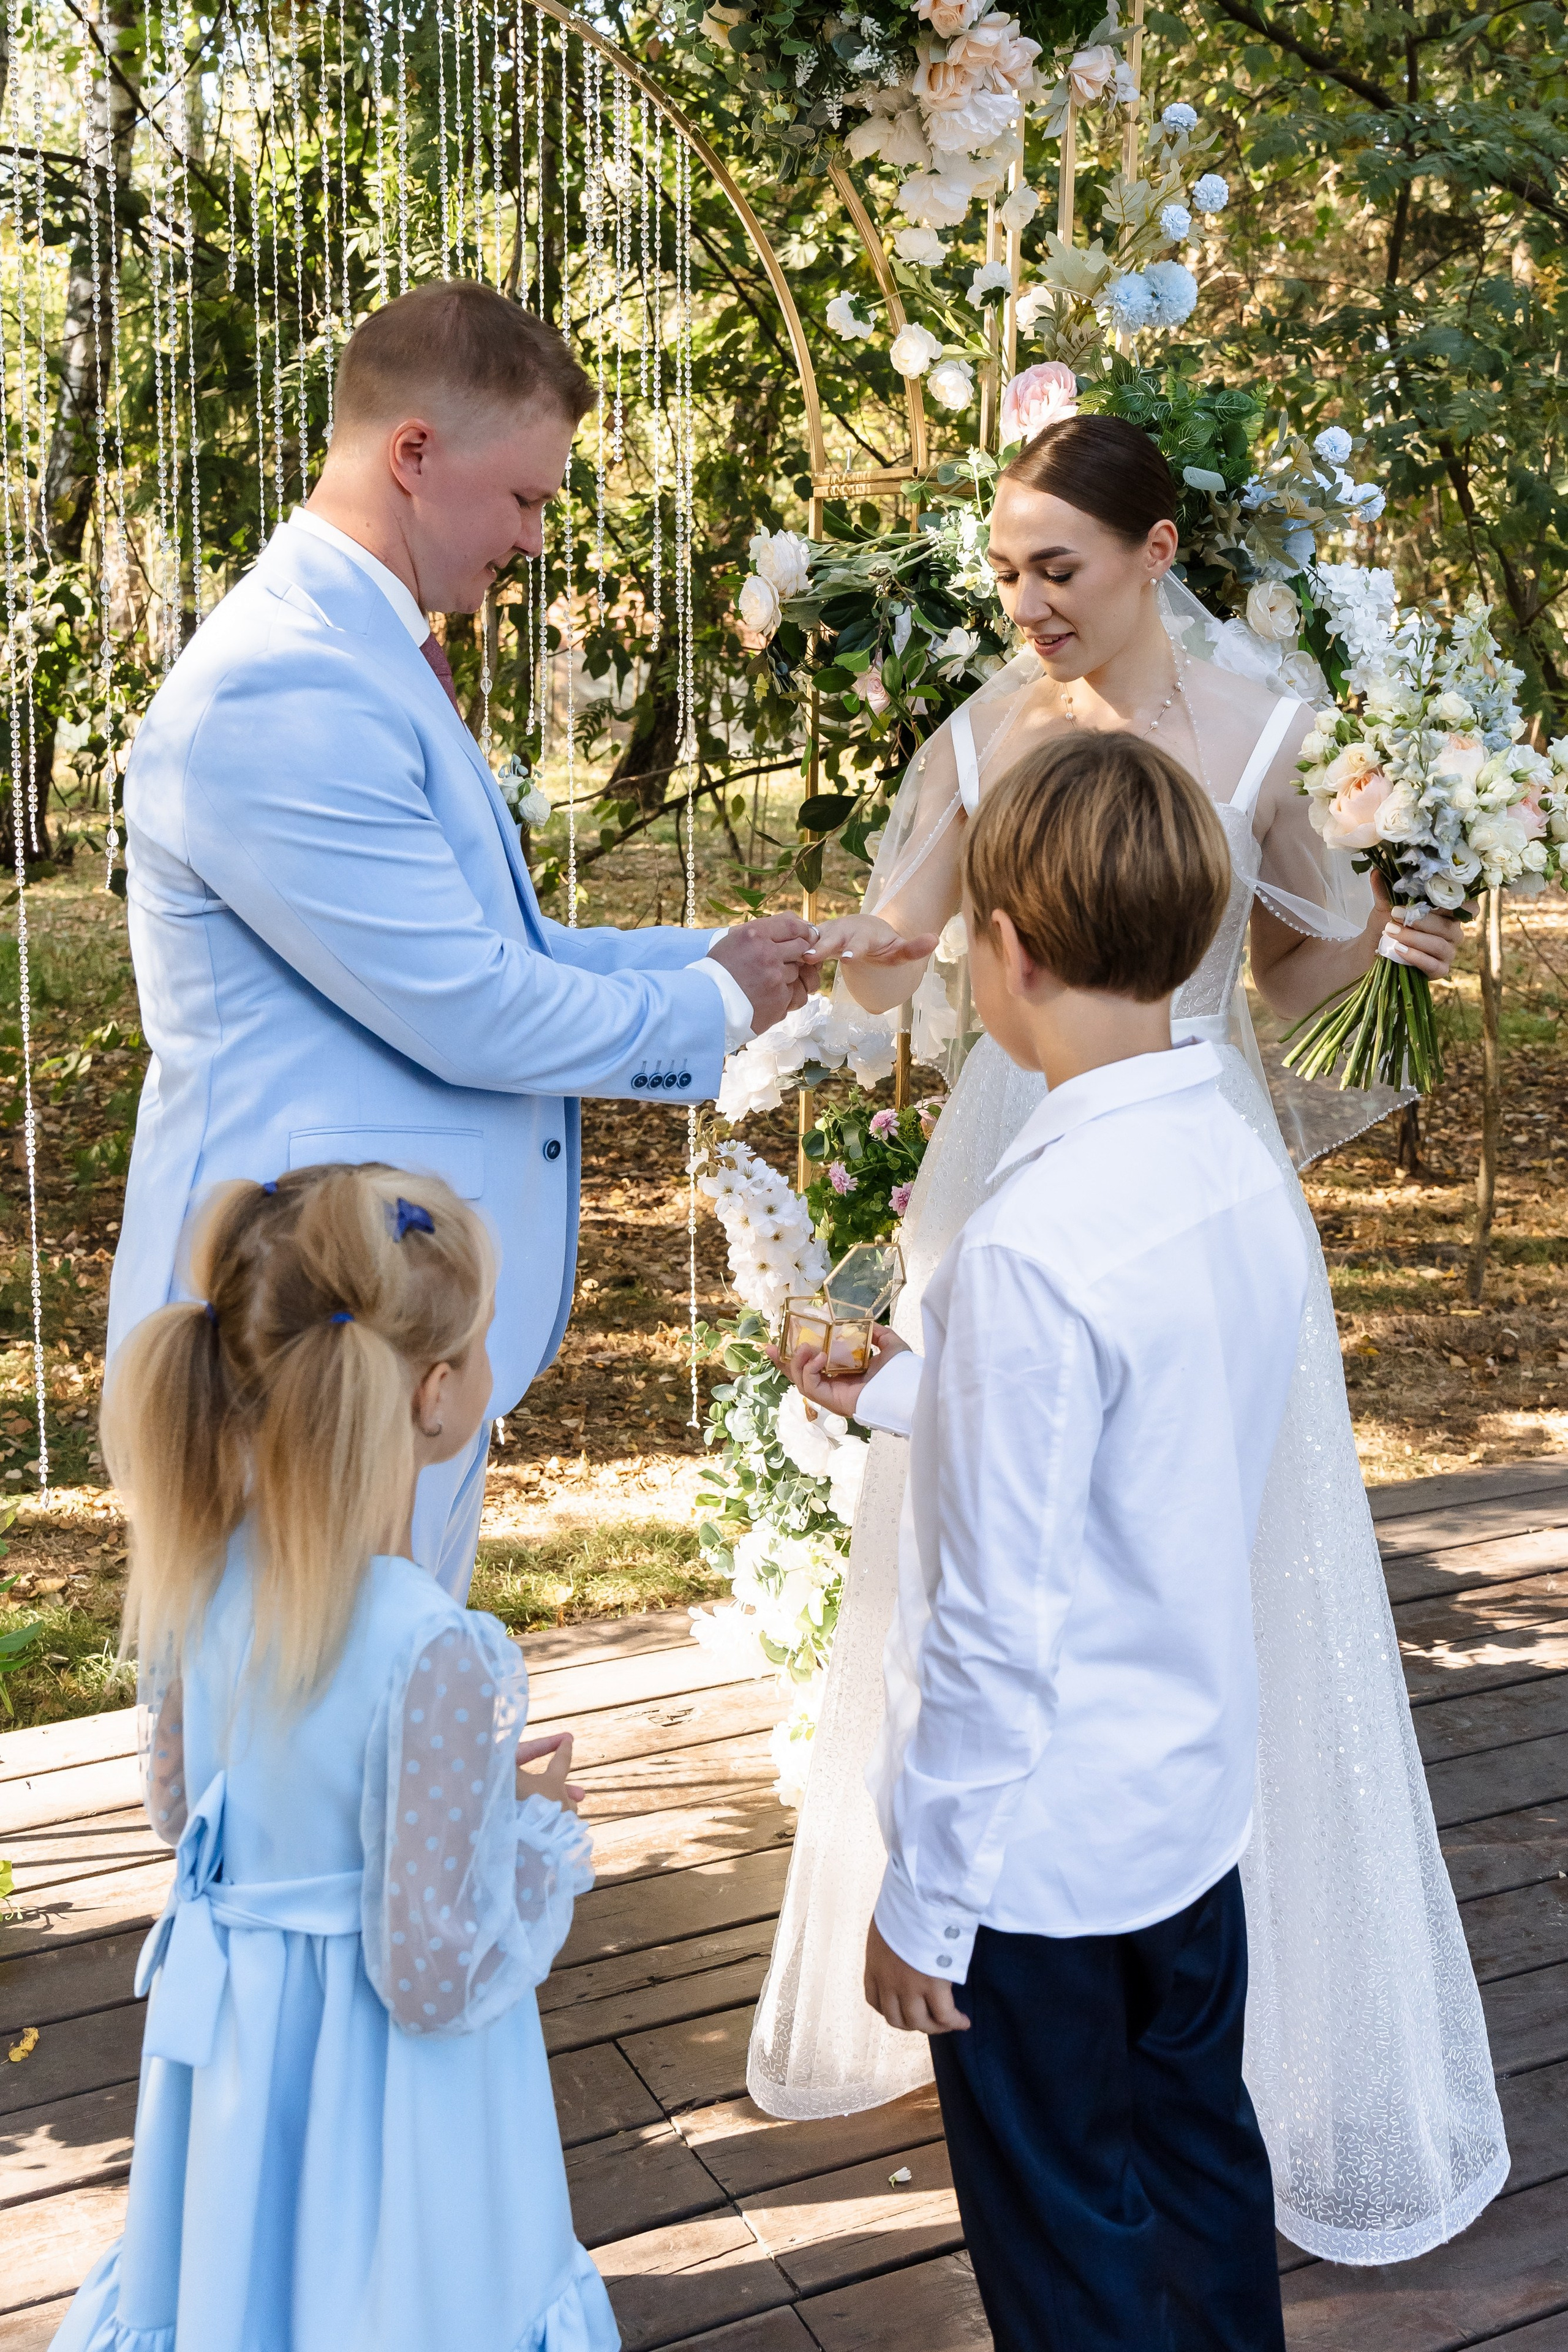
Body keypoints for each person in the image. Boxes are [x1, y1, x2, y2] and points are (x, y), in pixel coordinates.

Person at [751, 412, 1510, 2266]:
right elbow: (898, 948)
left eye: (1058, 569)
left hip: (1187, 1138)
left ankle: (1223, 1960)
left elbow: (1297, 967)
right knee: (989, 1545)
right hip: (1013, 1157)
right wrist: (832, 948)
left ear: (1158, 551)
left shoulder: (1258, 729)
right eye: (1005, 571)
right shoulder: (981, 734)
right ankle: (991, 1910)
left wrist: (1407, 899)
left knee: (1214, 1549)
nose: (1028, 606)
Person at [105, 281, 888, 1601]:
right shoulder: (279, 684)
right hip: (297, 1333)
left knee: (384, 1742)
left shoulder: (363, 653)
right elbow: (469, 1006)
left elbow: (497, 948)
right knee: (280, 1759)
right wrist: (713, 1004)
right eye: (525, 498)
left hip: (393, 1329)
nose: (533, 538)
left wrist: (752, 959)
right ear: (413, 453)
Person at [777, 733, 1309, 2350]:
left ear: (1003, 951)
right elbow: (1141, 1433)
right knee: (1205, 2182)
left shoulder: (1026, 1244)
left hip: (1039, 1868)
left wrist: (925, 1906)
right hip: (1188, 1809)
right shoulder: (1234, 1163)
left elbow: (996, 1627)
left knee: (1069, 2256)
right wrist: (904, 1395)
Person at [55, 1161, 616, 2352]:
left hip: (241, 2072)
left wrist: (458, 1793)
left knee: (247, 2304)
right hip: (381, 2105)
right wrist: (534, 1833)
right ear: (437, 1394)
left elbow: (183, 1802)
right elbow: (434, 1971)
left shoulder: (205, 1572)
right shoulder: (434, 1647)